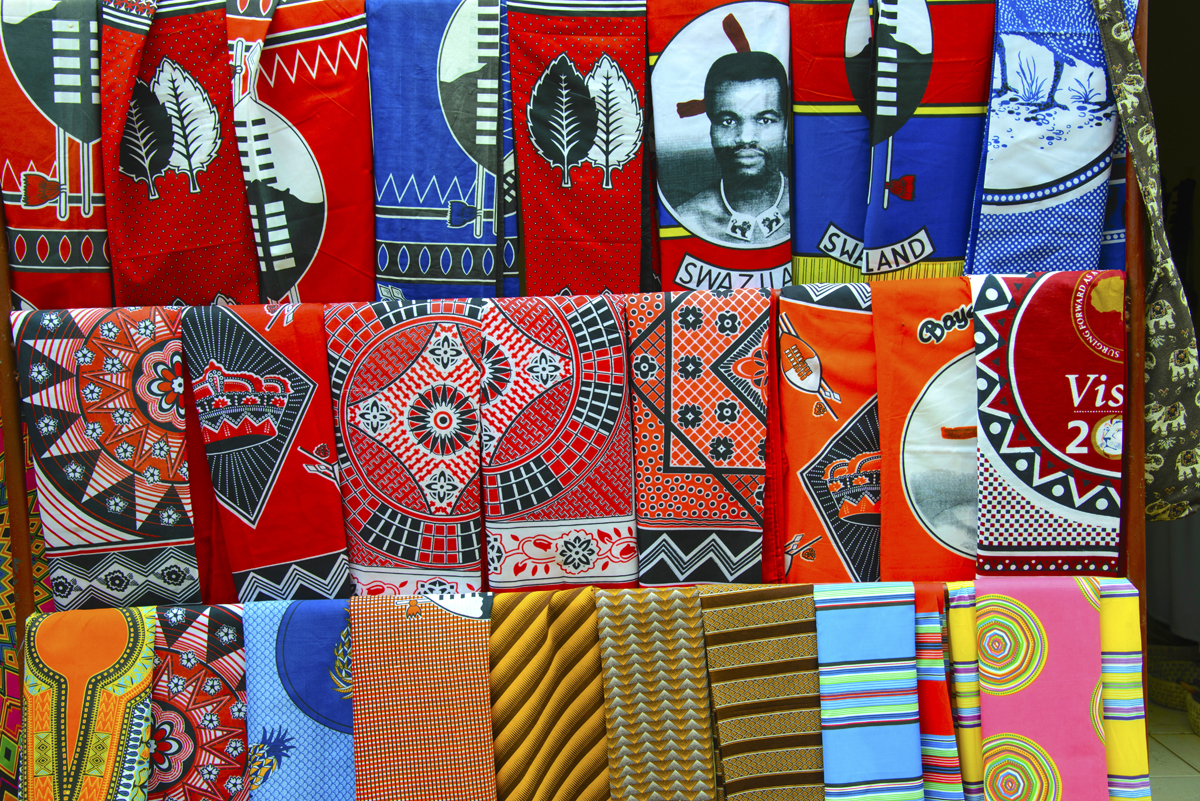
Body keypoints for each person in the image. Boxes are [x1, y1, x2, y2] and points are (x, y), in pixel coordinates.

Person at [676, 50, 790, 246]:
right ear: (711, 131)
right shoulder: (686, 219)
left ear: (785, 129)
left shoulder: (810, 209)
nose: (745, 138)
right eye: (728, 121)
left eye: (764, 120)